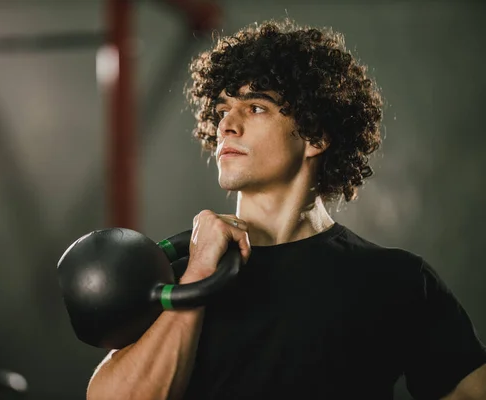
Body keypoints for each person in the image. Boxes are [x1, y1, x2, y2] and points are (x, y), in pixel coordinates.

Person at [86, 19, 486, 400]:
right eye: (223, 109)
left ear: (315, 136)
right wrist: (199, 276)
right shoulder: (179, 276)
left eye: (255, 107)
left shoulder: (394, 280)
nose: (227, 123)